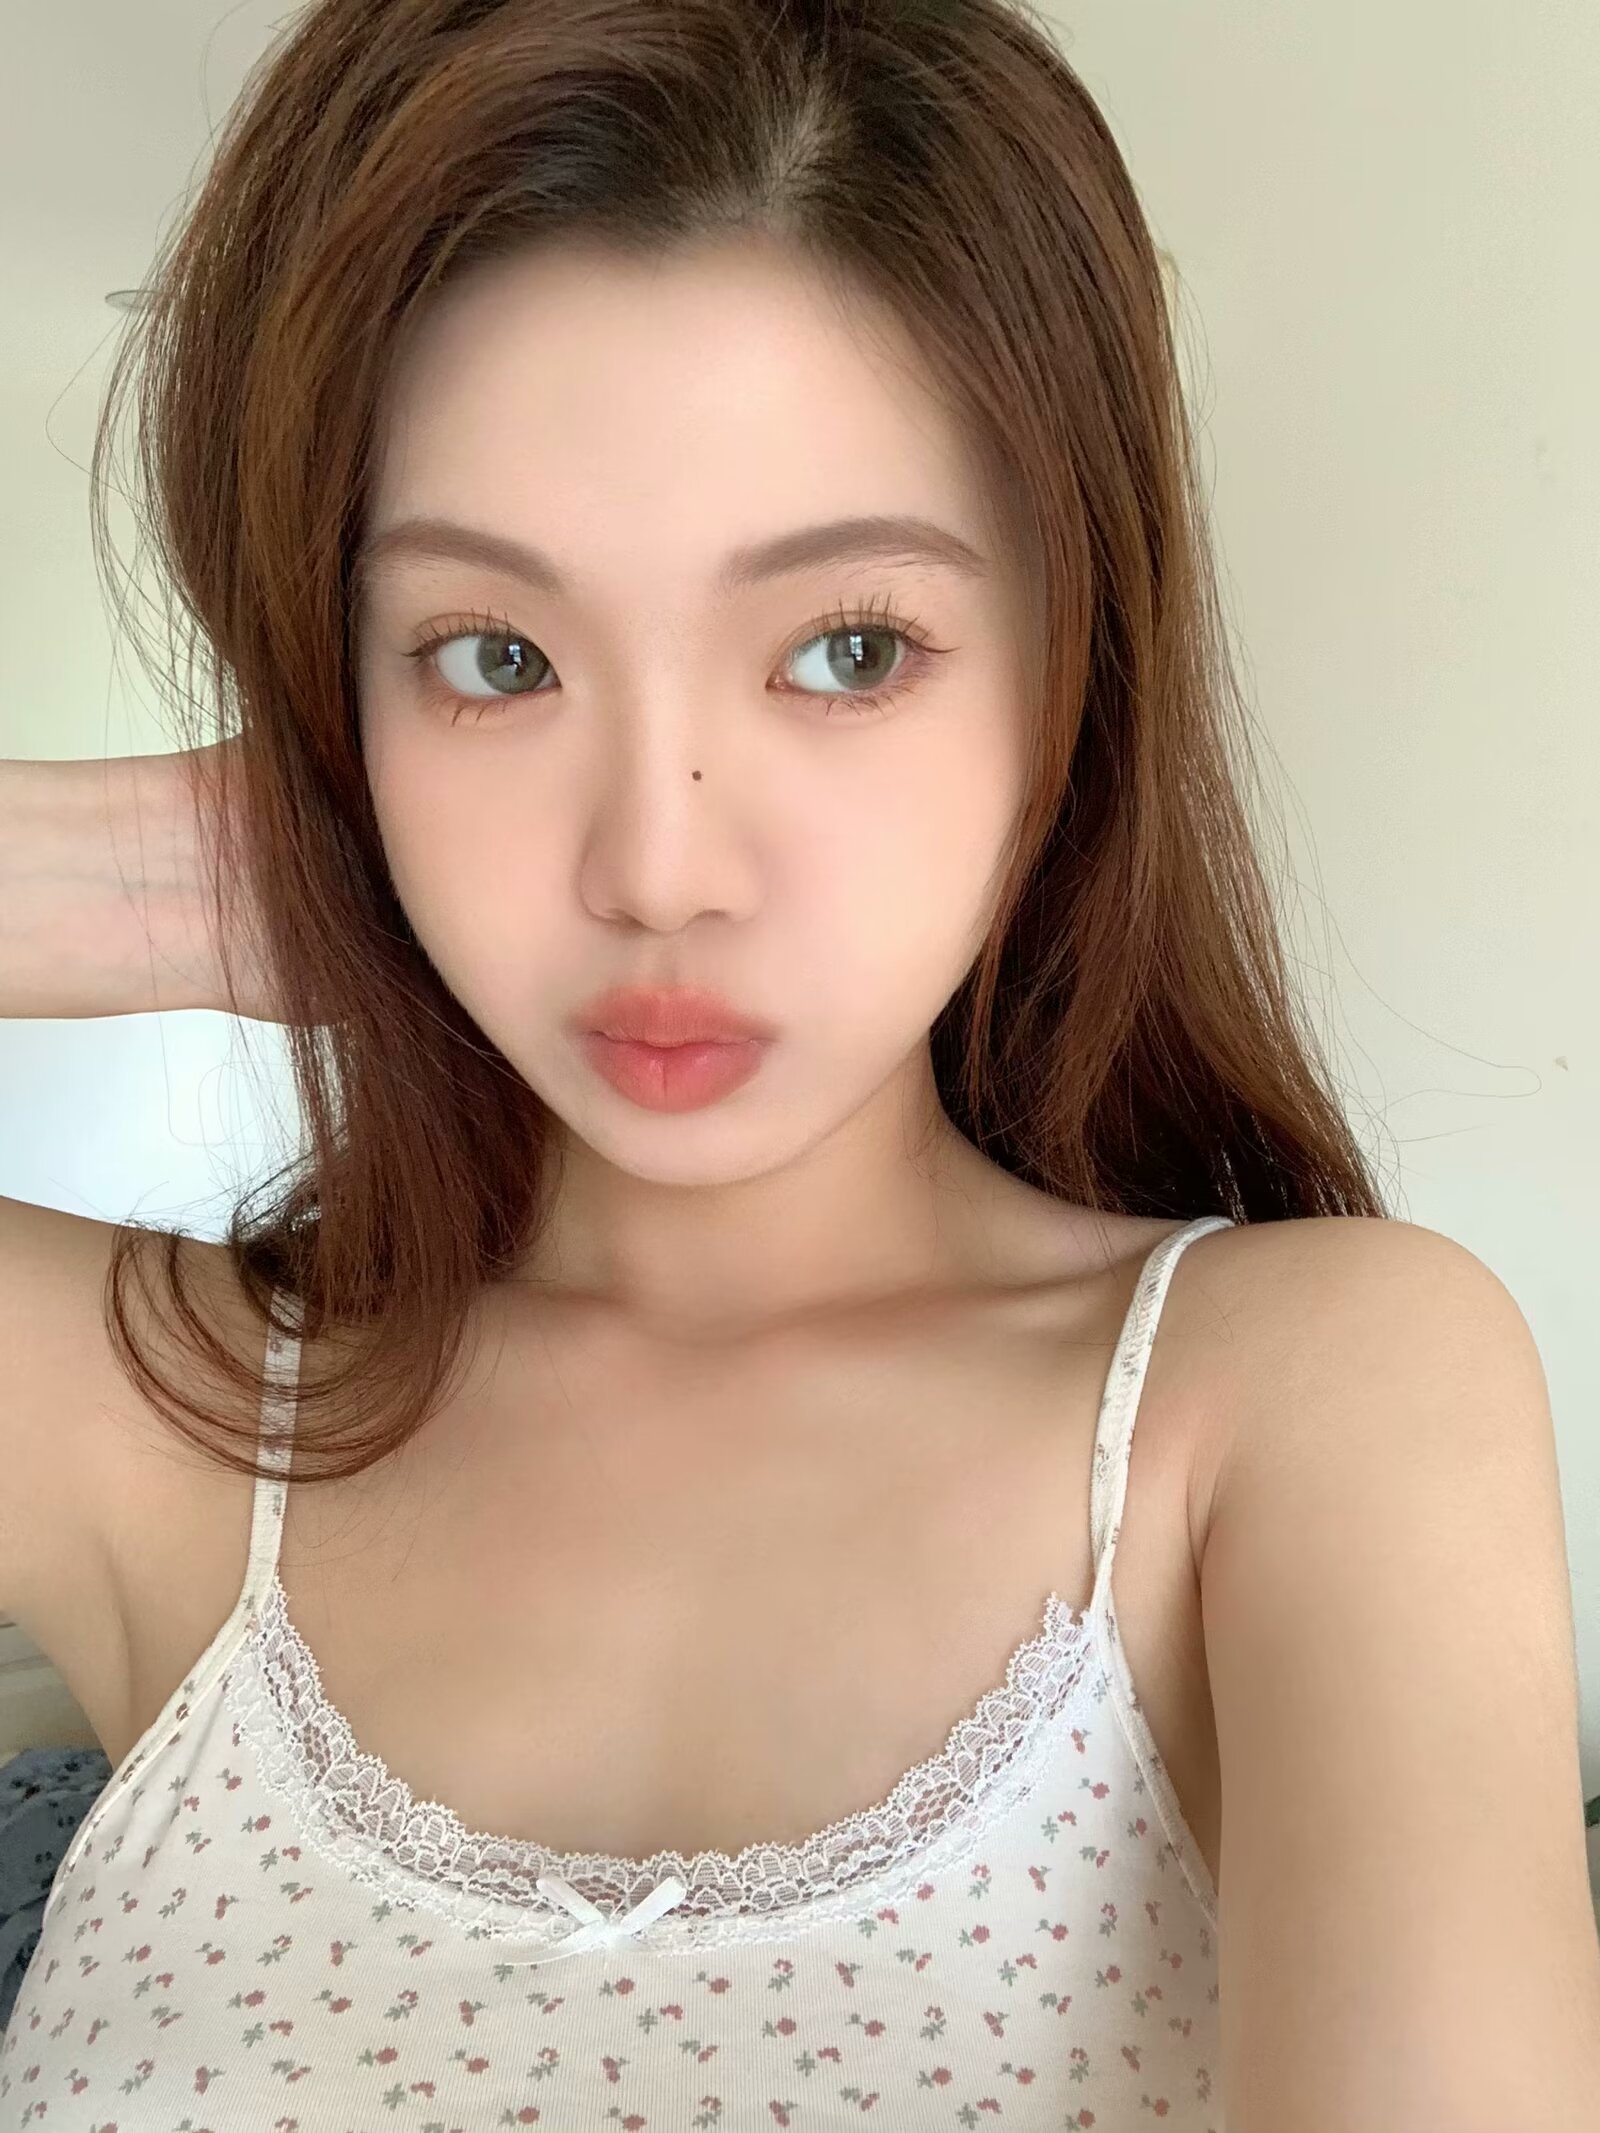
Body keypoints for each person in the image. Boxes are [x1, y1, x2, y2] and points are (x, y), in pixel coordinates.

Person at [2, 0, 1597, 2125]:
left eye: (847, 649)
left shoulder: (1297, 1400)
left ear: (1064, 678)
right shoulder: (166, 1414)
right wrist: (151, 878)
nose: (659, 867)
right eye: (493, 656)